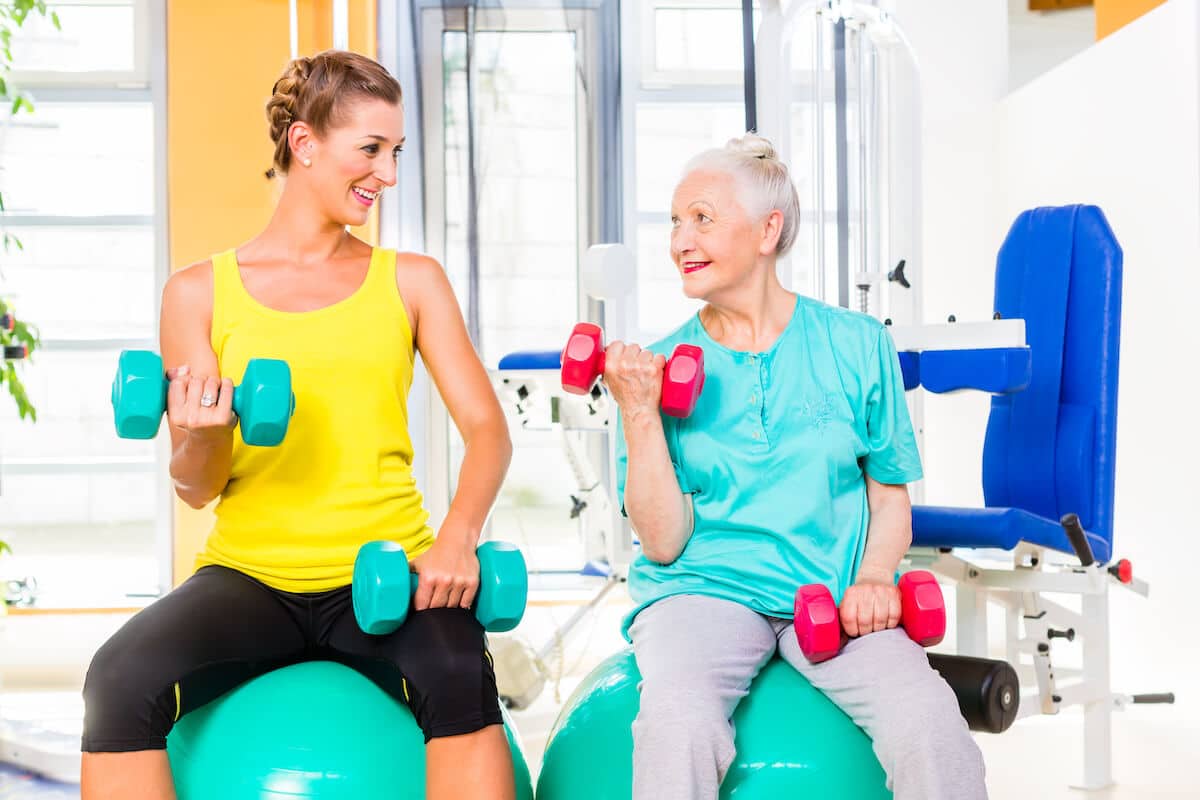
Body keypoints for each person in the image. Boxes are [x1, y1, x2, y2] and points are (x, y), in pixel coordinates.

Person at [80, 50, 517, 800]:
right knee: (116, 679)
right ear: (305, 144)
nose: (386, 173)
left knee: (459, 677)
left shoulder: (409, 280)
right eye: (370, 150)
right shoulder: (198, 293)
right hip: (251, 576)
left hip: (384, 571)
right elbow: (195, 487)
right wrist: (206, 432)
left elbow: (487, 428)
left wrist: (457, 537)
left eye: (396, 152)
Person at [607, 133, 987, 800]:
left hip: (833, 593)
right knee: (677, 722)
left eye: (701, 217)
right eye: (674, 221)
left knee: (929, 720)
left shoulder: (858, 344)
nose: (678, 240)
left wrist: (873, 578)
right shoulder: (659, 368)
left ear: (766, 230)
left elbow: (890, 496)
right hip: (705, 590)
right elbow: (663, 541)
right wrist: (640, 411)